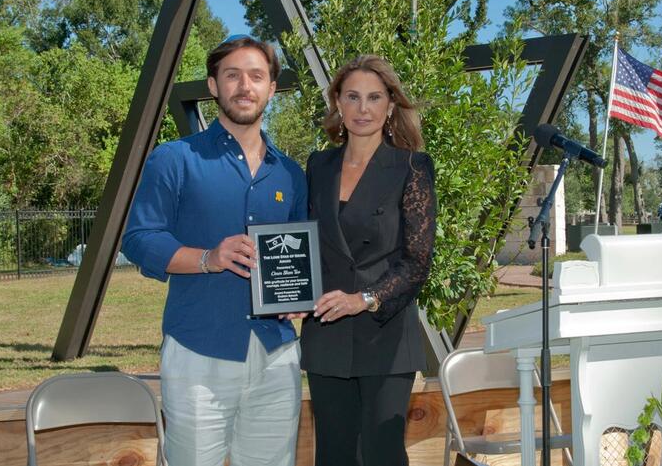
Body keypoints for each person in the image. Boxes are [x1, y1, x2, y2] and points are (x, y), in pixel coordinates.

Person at [122, 36, 307, 466]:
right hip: (197, 352)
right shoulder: (174, 159)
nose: (245, 85)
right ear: (213, 85)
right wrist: (209, 258)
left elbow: (301, 256)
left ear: (272, 89)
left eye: (257, 76)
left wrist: (301, 297)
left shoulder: (291, 174)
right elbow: (140, 238)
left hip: (277, 355)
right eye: (233, 75)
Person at [301, 54, 437, 466]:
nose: (363, 108)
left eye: (374, 97)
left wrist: (364, 299)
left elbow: (418, 261)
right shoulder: (317, 165)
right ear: (337, 104)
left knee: (381, 455)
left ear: (390, 106)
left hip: (385, 335)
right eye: (353, 97)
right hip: (325, 333)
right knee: (334, 454)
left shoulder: (412, 166)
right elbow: (304, 245)